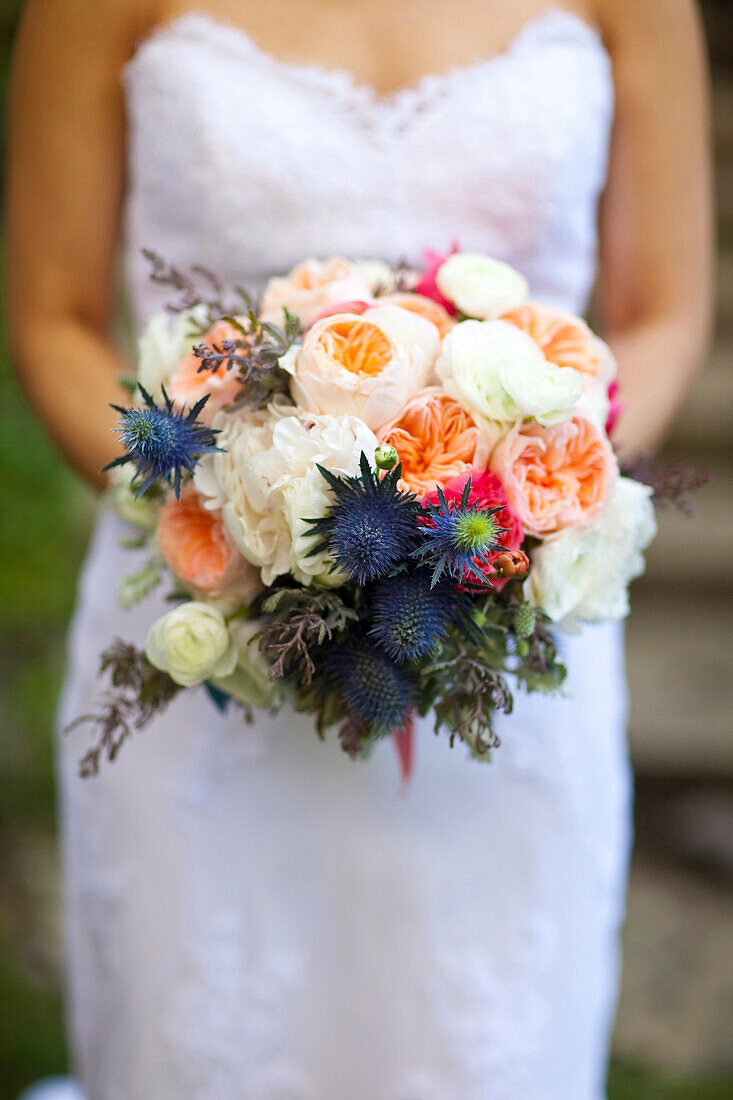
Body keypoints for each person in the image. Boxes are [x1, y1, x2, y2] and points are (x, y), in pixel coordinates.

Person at [7, 1, 712, 1097]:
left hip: (511, 646)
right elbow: (50, 313)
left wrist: (524, 501)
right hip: (202, 626)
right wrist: (229, 502)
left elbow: (663, 309)